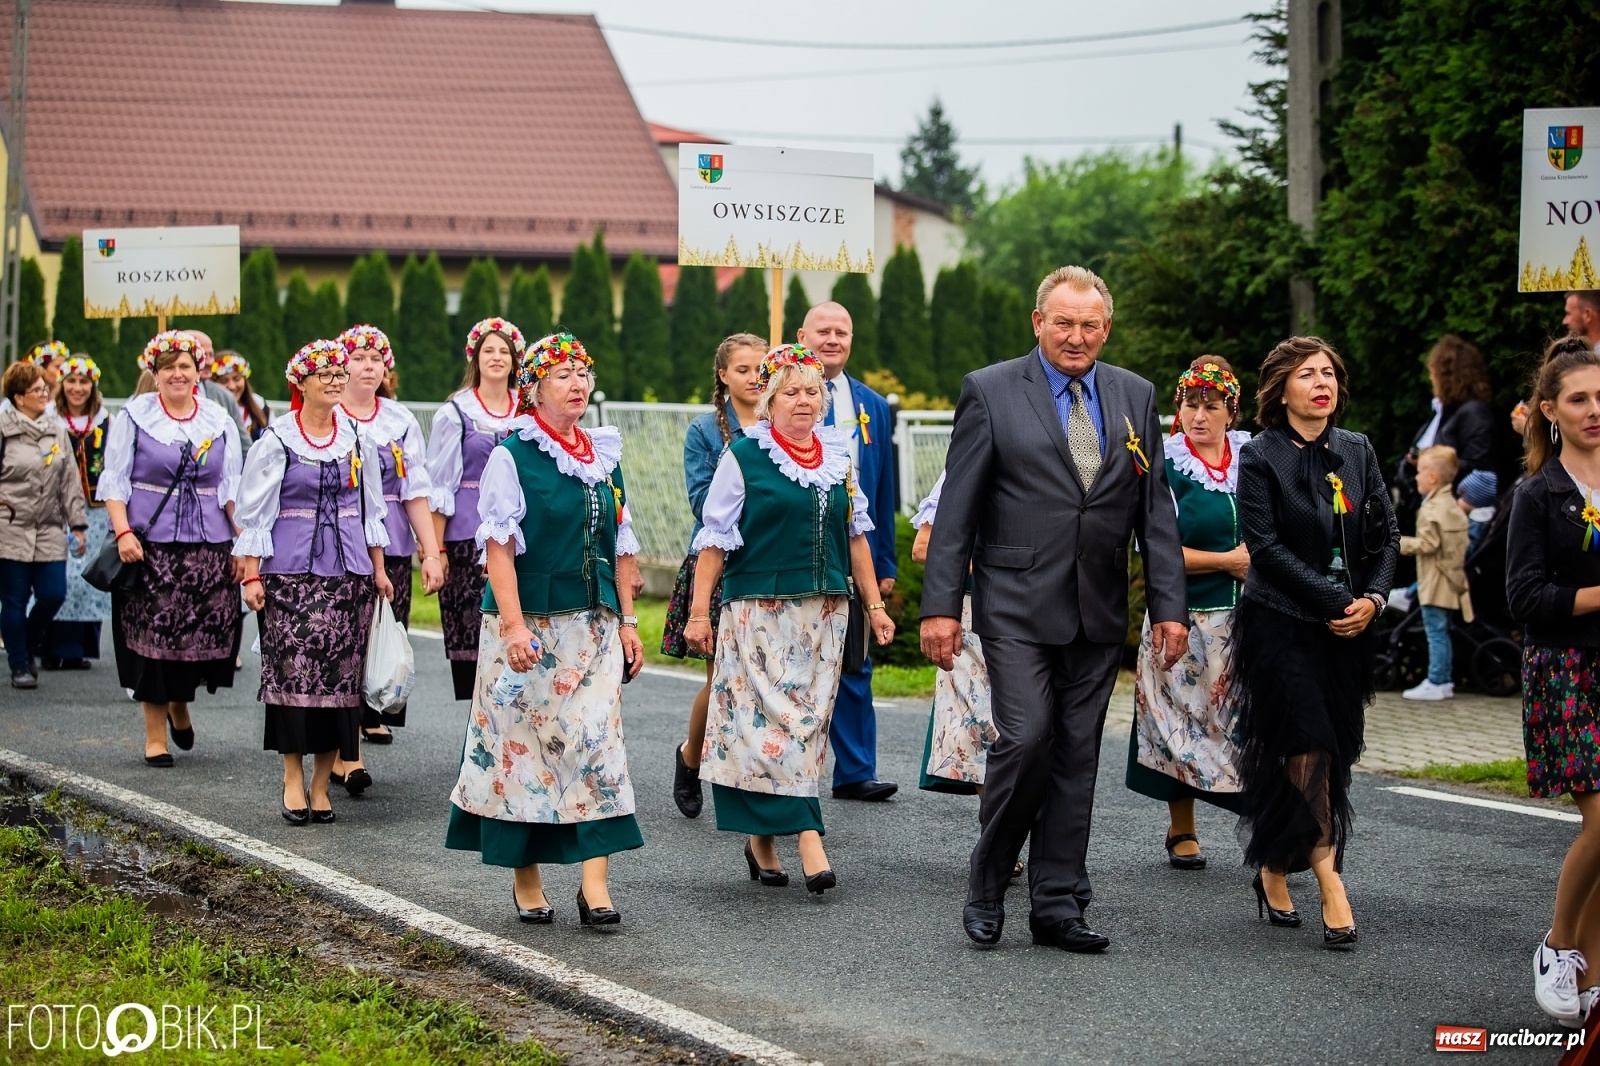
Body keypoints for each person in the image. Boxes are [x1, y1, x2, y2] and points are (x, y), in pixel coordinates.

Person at [921, 265, 1188, 953]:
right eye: (1063, 322)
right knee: (1027, 737)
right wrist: (942, 607)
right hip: (1012, 601)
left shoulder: (1135, 395)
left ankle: (1058, 904)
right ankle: (987, 879)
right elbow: (958, 511)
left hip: (1096, 610)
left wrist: (1170, 608)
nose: (1077, 336)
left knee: (1075, 756)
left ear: (1106, 328)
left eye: (1090, 325)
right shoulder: (990, 390)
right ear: (1038, 322)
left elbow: (1155, 513)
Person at [447, 332, 645, 927]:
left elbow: (623, 545)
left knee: (598, 744)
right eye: (562, 375)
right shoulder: (514, 455)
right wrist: (511, 625)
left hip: (594, 626)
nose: (578, 383)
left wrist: (629, 622)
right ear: (534, 389)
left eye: (583, 373)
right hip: (528, 628)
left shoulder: (603, 456)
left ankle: (596, 885)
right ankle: (526, 878)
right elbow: (499, 548)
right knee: (522, 749)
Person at [684, 344, 893, 894]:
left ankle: (761, 840)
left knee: (805, 726)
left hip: (825, 612)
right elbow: (714, 541)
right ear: (770, 400)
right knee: (767, 727)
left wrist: (874, 605)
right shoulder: (744, 456)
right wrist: (697, 614)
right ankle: (807, 835)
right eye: (792, 392)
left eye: (813, 391)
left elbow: (856, 537)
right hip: (758, 613)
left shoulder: (837, 457)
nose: (804, 401)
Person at [1231, 336, 1399, 949]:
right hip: (1280, 624)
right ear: (1281, 389)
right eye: (1307, 374)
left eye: (1328, 373)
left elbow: (1387, 536)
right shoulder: (1260, 456)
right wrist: (1334, 601)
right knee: (1304, 745)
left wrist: (1372, 602)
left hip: (1346, 630)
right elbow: (1266, 550)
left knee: (1328, 752)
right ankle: (1331, 881)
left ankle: (1275, 867)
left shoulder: (1357, 451)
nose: (1321, 383)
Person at [234, 339, 392, 825]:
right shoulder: (278, 438)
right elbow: (254, 512)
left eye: (338, 373)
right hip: (290, 576)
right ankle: (291, 780)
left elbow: (371, 509)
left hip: (348, 577)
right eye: (321, 373)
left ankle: (323, 784)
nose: (332, 380)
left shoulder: (358, 438)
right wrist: (252, 573)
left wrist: (380, 569)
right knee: (291, 679)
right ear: (300, 382)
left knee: (340, 684)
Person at [1126, 358, 1251, 869]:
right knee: (1179, 722)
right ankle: (1182, 828)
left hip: (1249, 620)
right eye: (1189, 404)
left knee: (1247, 725)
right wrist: (1227, 561)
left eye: (1211, 406)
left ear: (1231, 412)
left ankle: (1268, 829)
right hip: (1184, 617)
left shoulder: (1253, 460)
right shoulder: (1167, 465)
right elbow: (1153, 546)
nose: (1199, 416)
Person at [1507, 338, 1600, 1027]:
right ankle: (1558, 946)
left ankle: (1591, 973)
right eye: (1579, 399)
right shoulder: (1538, 494)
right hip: (1567, 669)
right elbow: (1526, 598)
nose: (1595, 410)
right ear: (1550, 411)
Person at [99, 330, 243, 764]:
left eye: (185, 366)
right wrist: (123, 531)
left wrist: (242, 546)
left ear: (198, 371)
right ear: (155, 374)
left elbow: (231, 485)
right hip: (151, 547)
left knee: (201, 638)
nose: (178, 374)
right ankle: (155, 735)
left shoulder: (217, 419)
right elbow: (115, 479)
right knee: (150, 641)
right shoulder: (135, 416)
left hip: (208, 547)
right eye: (169, 368)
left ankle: (181, 704)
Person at [331, 324, 444, 793]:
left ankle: (355, 732)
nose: (369, 366)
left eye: (377, 359)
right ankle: (344, 754)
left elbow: (414, 490)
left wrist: (431, 552)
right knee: (341, 643)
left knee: (375, 641)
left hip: (392, 545)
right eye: (359, 357)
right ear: (342, 366)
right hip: (337, 547)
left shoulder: (399, 421)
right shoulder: (328, 415)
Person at [794, 302, 898, 802]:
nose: (833, 339)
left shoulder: (872, 405)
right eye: (823, 331)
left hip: (854, 548)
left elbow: (885, 489)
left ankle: (856, 771)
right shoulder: (783, 398)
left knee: (854, 658)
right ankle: (787, 769)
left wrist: (886, 563)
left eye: (843, 331)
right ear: (802, 335)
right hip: (797, 551)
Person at [664, 333, 765, 819]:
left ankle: (757, 777)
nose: (754, 377)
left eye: (761, 368)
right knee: (724, 675)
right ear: (723, 375)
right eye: (743, 369)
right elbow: (704, 505)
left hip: (771, 561)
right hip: (722, 562)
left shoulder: (783, 420)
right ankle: (691, 756)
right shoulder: (706, 431)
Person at [427, 317, 523, 701]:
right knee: (474, 631)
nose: (497, 357)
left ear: (515, 361)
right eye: (489, 350)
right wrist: (437, 550)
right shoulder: (457, 412)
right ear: (475, 358)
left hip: (519, 529)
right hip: (468, 535)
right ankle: (480, 728)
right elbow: (439, 484)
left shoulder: (528, 408)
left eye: (504, 351)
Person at [0, 361, 86, 688]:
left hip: (50, 528)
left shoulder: (56, 429)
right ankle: (19, 664)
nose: (44, 393)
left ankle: (28, 645)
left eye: (44, 388)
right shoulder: (3, 429)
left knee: (53, 594)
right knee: (14, 599)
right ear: (19, 397)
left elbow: (69, 481)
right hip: (10, 528)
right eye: (37, 389)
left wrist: (77, 524)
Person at [910, 471, 996, 798]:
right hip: (977, 611)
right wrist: (1003, 563)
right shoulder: (967, 463)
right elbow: (922, 547)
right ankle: (997, 836)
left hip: (1048, 609)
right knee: (982, 723)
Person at [42, 356, 111, 670]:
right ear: (61, 383)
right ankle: (47, 644)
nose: (77, 388)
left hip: (95, 510)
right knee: (59, 575)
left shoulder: (106, 421)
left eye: (84, 382)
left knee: (86, 576)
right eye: (71, 381)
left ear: (93, 386)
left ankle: (78, 648)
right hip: (54, 508)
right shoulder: (48, 419)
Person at [1399, 446, 1473, 702]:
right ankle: (1443, 680)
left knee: (1435, 631)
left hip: (1435, 581)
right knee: (1443, 630)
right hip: (1451, 577)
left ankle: (1437, 680)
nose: (1416, 477)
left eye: (1419, 472)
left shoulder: (1431, 510)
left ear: (1432, 478)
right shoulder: (1451, 505)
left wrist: (1398, 543)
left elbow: (1428, 545)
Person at [1396, 335, 1495, 513]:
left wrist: (1431, 462)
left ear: (1447, 375)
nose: (1430, 378)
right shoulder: (1443, 412)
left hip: (1454, 512)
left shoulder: (1473, 412)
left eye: (1433, 373)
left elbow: (1478, 467)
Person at [184, 330, 245, 423]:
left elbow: (241, 437)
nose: (209, 362)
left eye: (211, 355)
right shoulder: (159, 393)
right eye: (203, 355)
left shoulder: (225, 396)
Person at [211, 351, 272, 441]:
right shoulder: (208, 410)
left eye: (237, 379)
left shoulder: (261, 407)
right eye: (224, 381)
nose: (231, 386)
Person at [0, 341, 67, 420]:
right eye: (58, 366)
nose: (63, 371)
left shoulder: (66, 403)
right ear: (40, 368)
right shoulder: (10, 405)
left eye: (65, 367)